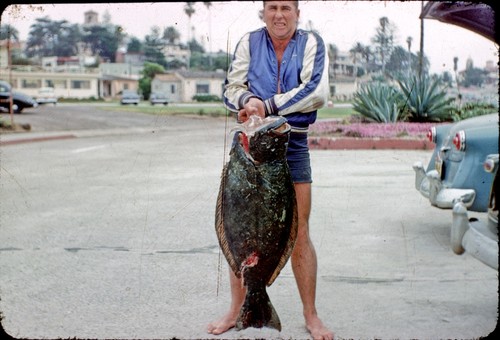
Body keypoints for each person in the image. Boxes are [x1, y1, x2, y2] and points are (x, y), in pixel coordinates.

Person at [207, 1, 333, 339]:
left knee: (300, 230)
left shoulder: (312, 43)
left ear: (297, 13)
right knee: (239, 228)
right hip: (249, 146)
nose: (279, 14)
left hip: (292, 145)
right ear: (263, 12)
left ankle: (311, 314)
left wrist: (269, 106)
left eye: (286, 8)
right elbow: (231, 87)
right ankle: (236, 310)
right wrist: (248, 101)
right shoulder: (249, 42)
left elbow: (316, 91)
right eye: (272, 7)